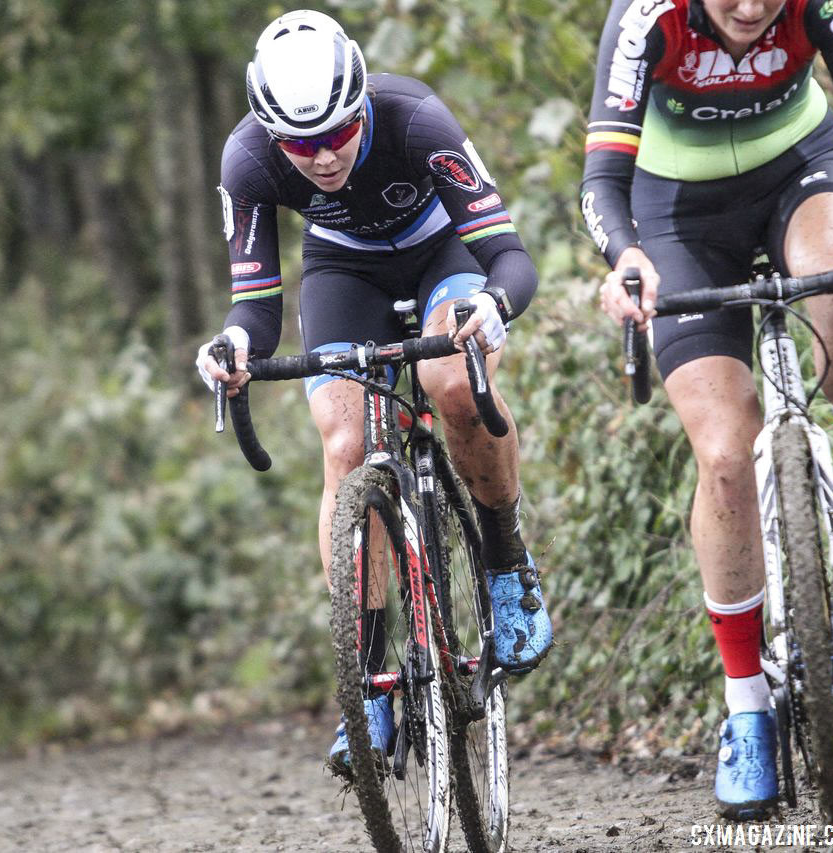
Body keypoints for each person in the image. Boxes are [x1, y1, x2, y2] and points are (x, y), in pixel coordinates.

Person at [196, 9, 551, 769]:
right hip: (343, 271)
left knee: (450, 381)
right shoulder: (248, 161)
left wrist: (492, 305)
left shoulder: (416, 119)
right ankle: (372, 679)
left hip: (442, 251)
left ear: (361, 106)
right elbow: (254, 306)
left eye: (336, 134)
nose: (321, 157)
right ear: (271, 135)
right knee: (345, 438)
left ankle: (504, 559)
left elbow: (509, 255)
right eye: (301, 144)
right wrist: (231, 344)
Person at [583, 0, 833, 820]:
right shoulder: (647, 19)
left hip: (802, 170)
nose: (751, 9)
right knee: (723, 456)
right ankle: (745, 703)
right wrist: (625, 256)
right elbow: (601, 178)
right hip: (678, 214)